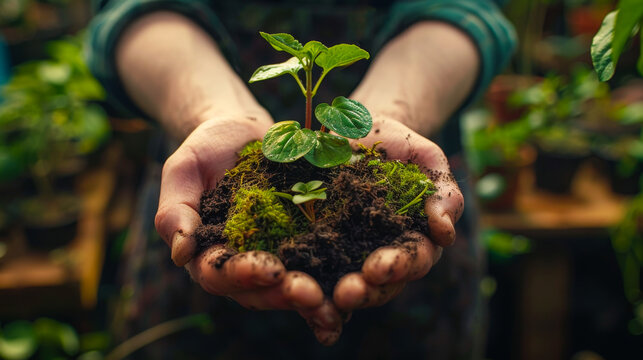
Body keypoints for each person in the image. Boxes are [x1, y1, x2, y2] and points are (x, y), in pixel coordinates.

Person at [88, 0, 516, 358]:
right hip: (207, 210)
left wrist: (398, 109)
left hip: (411, 285)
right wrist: (211, 111)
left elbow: (466, 9)